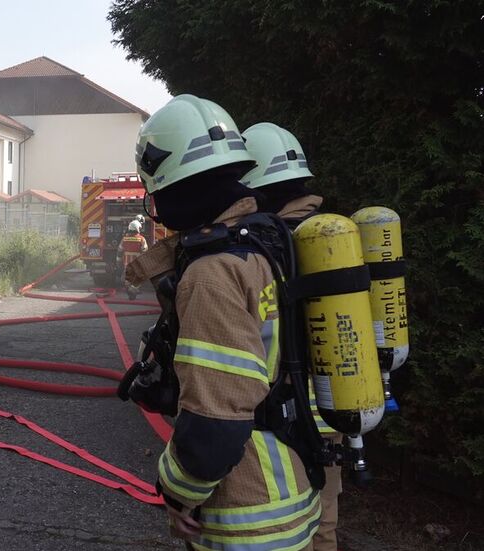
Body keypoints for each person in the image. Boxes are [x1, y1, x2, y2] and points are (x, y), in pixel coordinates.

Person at [133, 95, 320, 549]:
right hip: (292, 487)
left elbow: (217, 419)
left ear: (170, 186)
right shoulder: (268, 244)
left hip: (247, 513)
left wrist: (176, 492)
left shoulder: (212, 273)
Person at [242, 122, 340, 551]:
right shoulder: (334, 235)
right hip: (338, 407)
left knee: (287, 523)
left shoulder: (266, 245)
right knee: (326, 524)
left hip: (285, 416)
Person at [119, 220, 149, 299]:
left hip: (127, 264)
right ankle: (133, 292)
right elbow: (145, 251)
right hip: (137, 264)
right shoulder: (142, 239)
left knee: (127, 279)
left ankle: (130, 291)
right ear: (138, 228)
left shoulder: (124, 239)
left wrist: (118, 260)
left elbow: (120, 250)